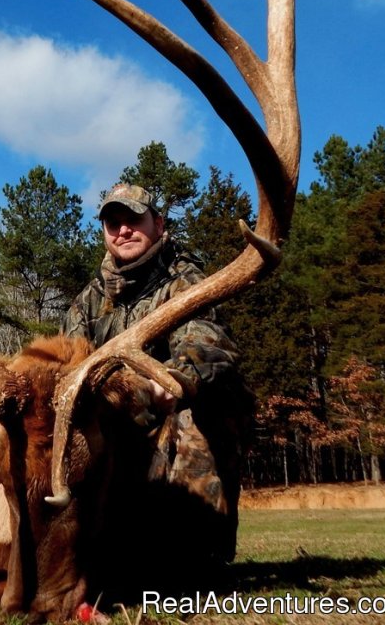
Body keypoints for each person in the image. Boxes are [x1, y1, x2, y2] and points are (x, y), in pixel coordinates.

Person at [61, 183, 255, 564]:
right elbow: (68, 369)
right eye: (113, 223)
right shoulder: (86, 303)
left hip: (172, 415)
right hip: (116, 425)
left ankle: (198, 551)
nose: (123, 230)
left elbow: (207, 340)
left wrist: (171, 382)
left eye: (134, 219)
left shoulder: (186, 281)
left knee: (202, 410)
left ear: (158, 223)